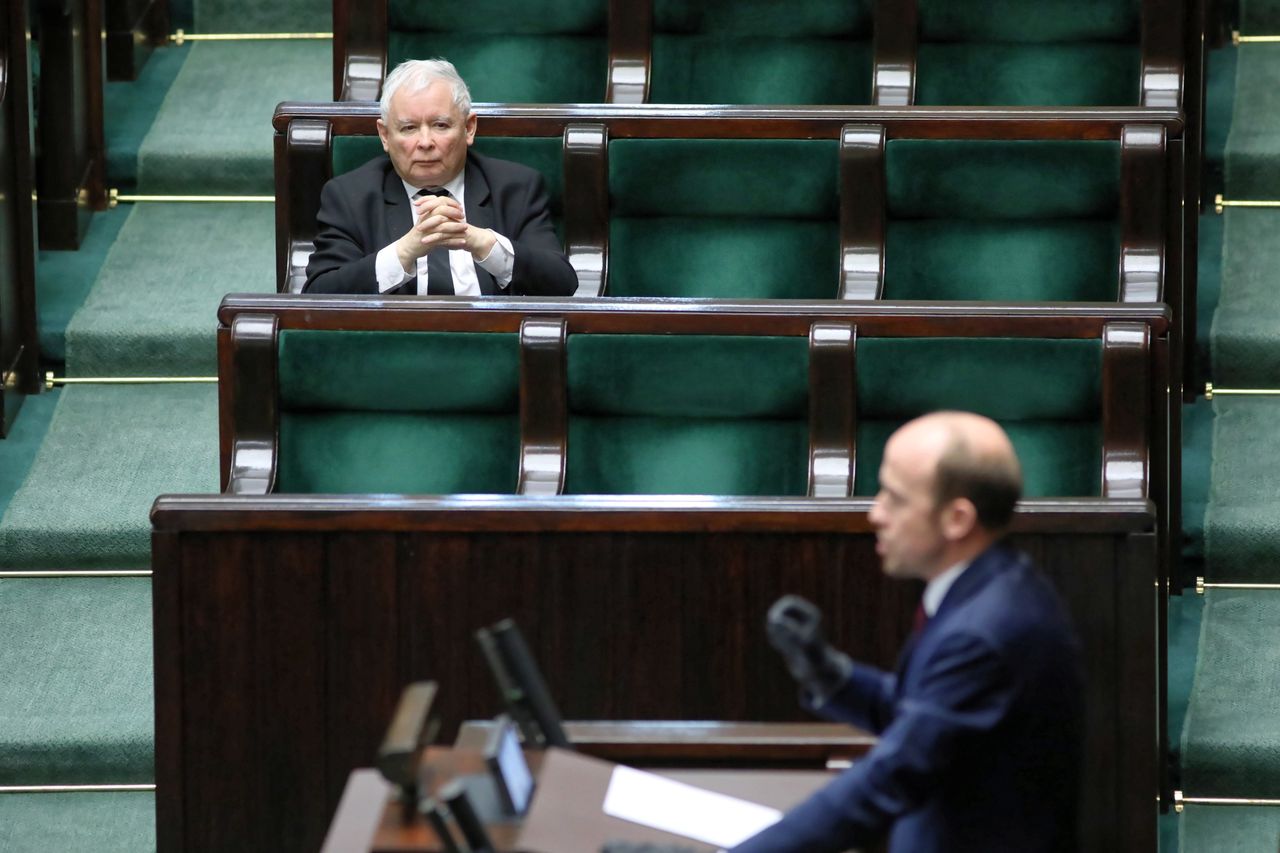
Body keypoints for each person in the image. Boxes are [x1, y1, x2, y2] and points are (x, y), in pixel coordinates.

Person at [733, 411, 1085, 853]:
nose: (875, 513)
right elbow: (925, 719)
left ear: (956, 519)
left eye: (895, 499)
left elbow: (891, 776)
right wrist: (831, 675)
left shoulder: (984, 633)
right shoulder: (990, 588)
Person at [303, 59, 578, 296]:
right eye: (409, 128)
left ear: (469, 128)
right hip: (393, 345)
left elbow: (561, 283)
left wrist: (481, 243)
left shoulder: (516, 188)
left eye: (440, 125)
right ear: (385, 136)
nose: (425, 142)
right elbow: (319, 294)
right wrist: (404, 252)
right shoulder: (349, 196)